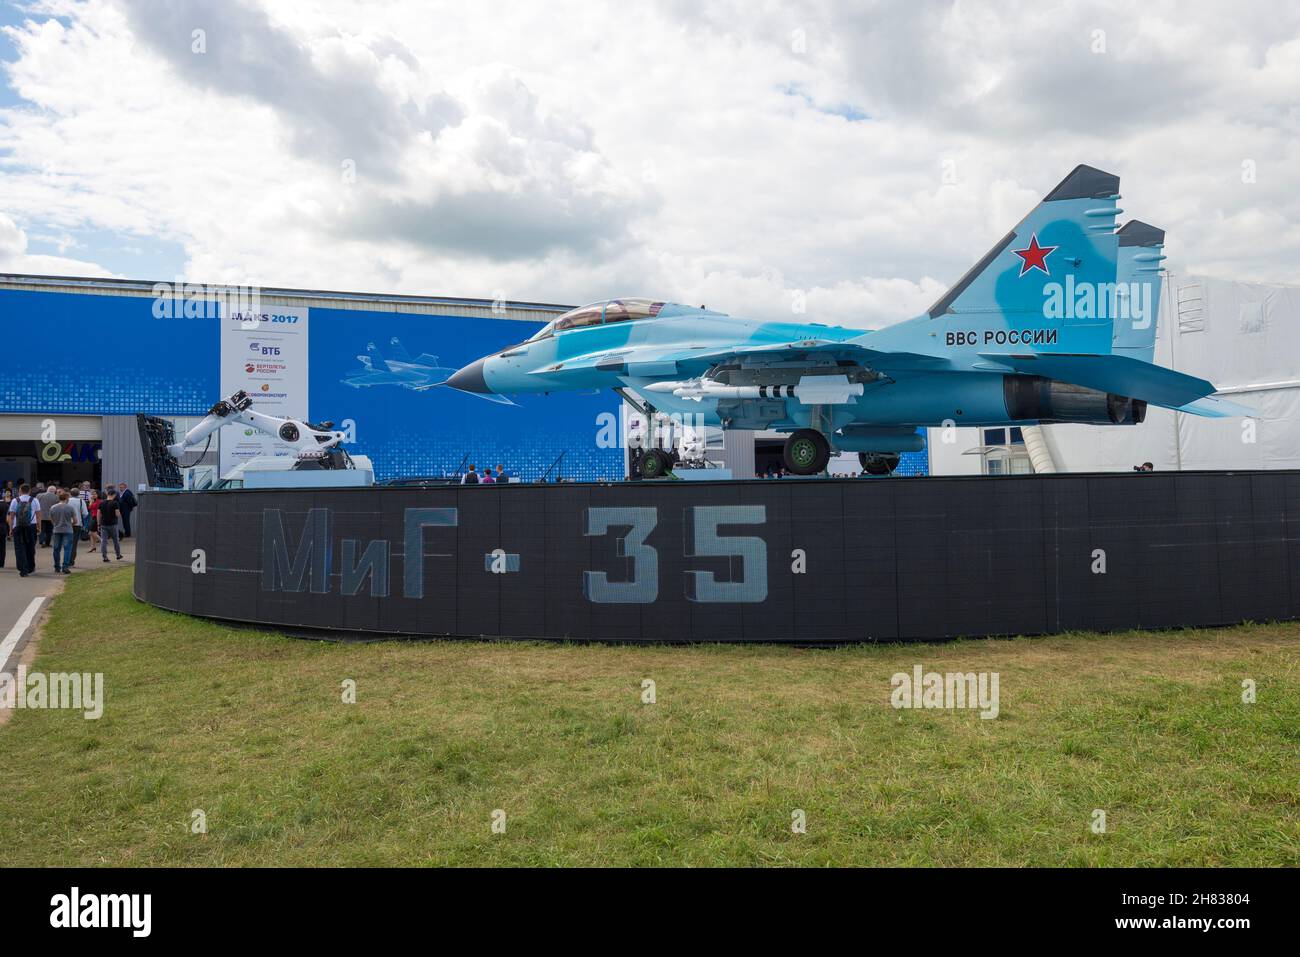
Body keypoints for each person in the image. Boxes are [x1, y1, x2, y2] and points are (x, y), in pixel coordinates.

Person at [8, 483, 41, 576]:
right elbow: (38, 515)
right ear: (29, 491)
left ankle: (23, 569)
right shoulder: (34, 500)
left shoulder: (15, 500)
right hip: (31, 525)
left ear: (20, 491)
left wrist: (10, 529)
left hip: (17, 526)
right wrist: (39, 527)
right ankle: (31, 567)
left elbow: (11, 516)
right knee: (30, 547)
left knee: (19, 548)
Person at [49, 491, 77, 574]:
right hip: (68, 530)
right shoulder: (70, 508)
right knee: (67, 549)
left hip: (57, 529)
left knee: (56, 549)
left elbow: (51, 519)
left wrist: (56, 524)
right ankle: (65, 567)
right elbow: (75, 521)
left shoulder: (53, 507)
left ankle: (57, 567)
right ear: (66, 498)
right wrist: (70, 524)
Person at [97, 489, 123, 561]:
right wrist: (119, 514)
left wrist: (98, 523)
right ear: (114, 495)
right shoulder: (115, 503)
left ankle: (104, 557)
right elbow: (117, 514)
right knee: (116, 540)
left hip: (103, 524)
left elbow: (98, 514)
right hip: (113, 524)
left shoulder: (101, 503)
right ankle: (118, 555)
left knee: (103, 541)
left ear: (107, 494)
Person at [37, 483, 59, 547]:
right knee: (49, 531)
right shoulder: (56, 497)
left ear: (47, 490)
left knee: (42, 529)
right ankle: (47, 543)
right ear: (54, 491)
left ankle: (42, 542)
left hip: (41, 515)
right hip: (51, 516)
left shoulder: (39, 495)